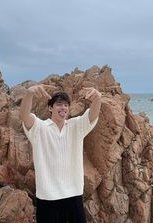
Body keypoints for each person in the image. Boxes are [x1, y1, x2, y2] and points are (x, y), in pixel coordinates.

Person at [19, 84, 101, 223]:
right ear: (50, 108)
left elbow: (93, 116)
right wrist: (29, 94)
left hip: (74, 194)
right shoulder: (40, 128)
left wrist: (97, 98)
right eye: (59, 104)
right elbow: (24, 116)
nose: (63, 108)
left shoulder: (76, 126)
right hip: (48, 197)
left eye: (66, 105)